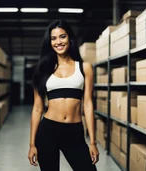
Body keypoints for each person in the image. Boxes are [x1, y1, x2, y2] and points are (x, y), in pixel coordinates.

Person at [28, 19, 99, 171]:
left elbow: (87, 104)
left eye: (62, 36)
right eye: (53, 38)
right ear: (49, 42)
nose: (58, 42)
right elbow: (37, 109)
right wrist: (32, 144)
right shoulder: (42, 70)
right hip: (48, 132)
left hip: (74, 133)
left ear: (70, 38)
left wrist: (93, 142)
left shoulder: (85, 68)